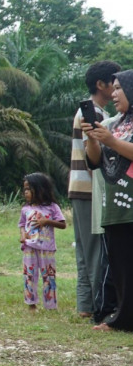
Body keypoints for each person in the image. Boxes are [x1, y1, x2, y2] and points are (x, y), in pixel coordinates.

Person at [82, 69, 133, 331]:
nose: (113, 94)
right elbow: (94, 161)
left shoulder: (113, 132)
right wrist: (93, 139)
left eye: (119, 89)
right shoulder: (112, 123)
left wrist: (111, 141)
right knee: (121, 268)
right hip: (115, 206)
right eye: (111, 89)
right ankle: (122, 320)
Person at [71, 61, 120, 323]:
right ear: (101, 85)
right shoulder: (96, 116)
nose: (116, 89)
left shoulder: (86, 112)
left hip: (77, 187)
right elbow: (97, 158)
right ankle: (96, 305)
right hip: (91, 189)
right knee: (94, 252)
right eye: (114, 82)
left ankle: (85, 304)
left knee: (84, 251)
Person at [19, 173, 65, 312]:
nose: (25, 192)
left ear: (40, 189)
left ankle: (50, 305)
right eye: (25, 189)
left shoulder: (52, 207)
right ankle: (31, 304)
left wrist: (47, 222)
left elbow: (62, 224)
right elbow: (21, 224)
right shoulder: (25, 209)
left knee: (49, 275)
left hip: (47, 248)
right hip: (29, 247)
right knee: (29, 275)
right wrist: (22, 235)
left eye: (28, 189)